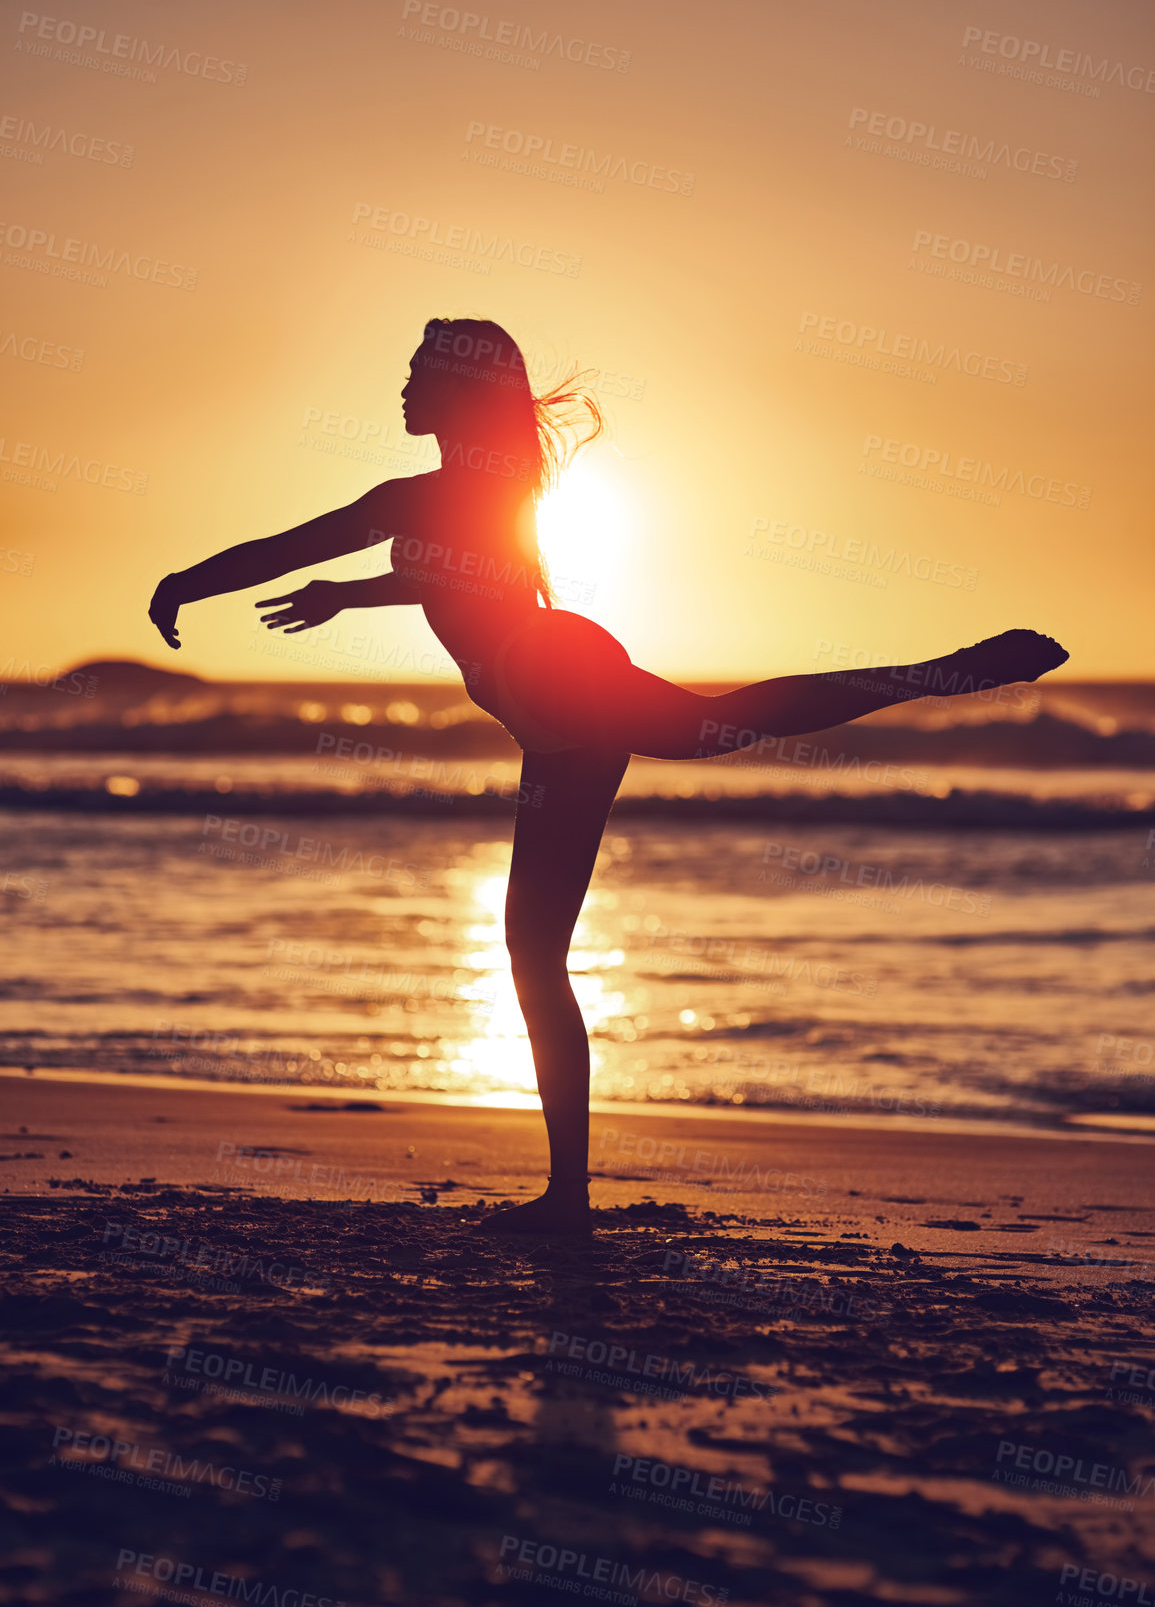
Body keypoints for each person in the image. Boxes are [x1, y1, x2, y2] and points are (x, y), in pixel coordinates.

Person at [149, 316, 1068, 1235]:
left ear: (456, 393)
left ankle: (947, 670)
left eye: (417, 372)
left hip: (549, 672)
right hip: (550, 709)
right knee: (546, 935)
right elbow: (450, 573)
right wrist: (348, 595)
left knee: (716, 731)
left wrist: (185, 581)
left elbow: (288, 546)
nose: (401, 388)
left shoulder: (420, 494)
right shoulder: (478, 490)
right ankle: (565, 1198)